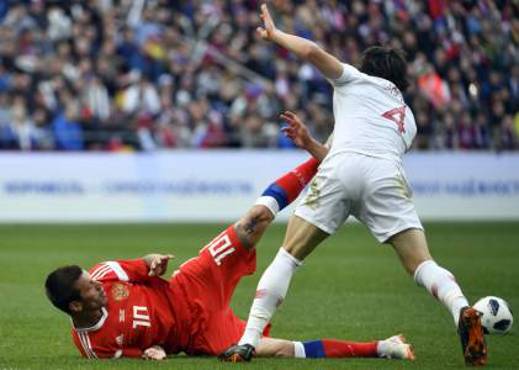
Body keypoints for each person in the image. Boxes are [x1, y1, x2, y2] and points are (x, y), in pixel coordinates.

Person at [221, 4, 486, 367]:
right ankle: (462, 310)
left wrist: (276, 35)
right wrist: (313, 144)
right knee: (421, 263)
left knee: (288, 255)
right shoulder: (408, 119)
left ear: (368, 70)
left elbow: (313, 53)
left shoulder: (355, 80)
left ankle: (248, 341)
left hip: (343, 167)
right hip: (386, 176)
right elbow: (363, 148)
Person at [45, 124, 415, 361]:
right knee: (278, 350)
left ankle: (326, 157)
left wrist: (154, 261)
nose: (97, 282)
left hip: (190, 284)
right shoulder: (94, 347)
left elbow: (142, 265)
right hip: (198, 335)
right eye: (90, 288)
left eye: (92, 279)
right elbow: (131, 353)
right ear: (76, 305)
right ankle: (383, 347)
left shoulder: (106, 274)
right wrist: (149, 353)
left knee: (253, 220)